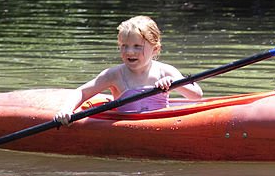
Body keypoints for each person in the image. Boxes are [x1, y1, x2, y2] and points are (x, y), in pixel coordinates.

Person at [54, 15, 202, 125]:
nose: (129, 52)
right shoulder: (114, 75)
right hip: (126, 126)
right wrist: (66, 110)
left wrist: (174, 82)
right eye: (124, 46)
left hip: (159, 125)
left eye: (137, 46)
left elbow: (196, 96)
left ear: (155, 49)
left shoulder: (166, 72)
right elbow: (81, 92)